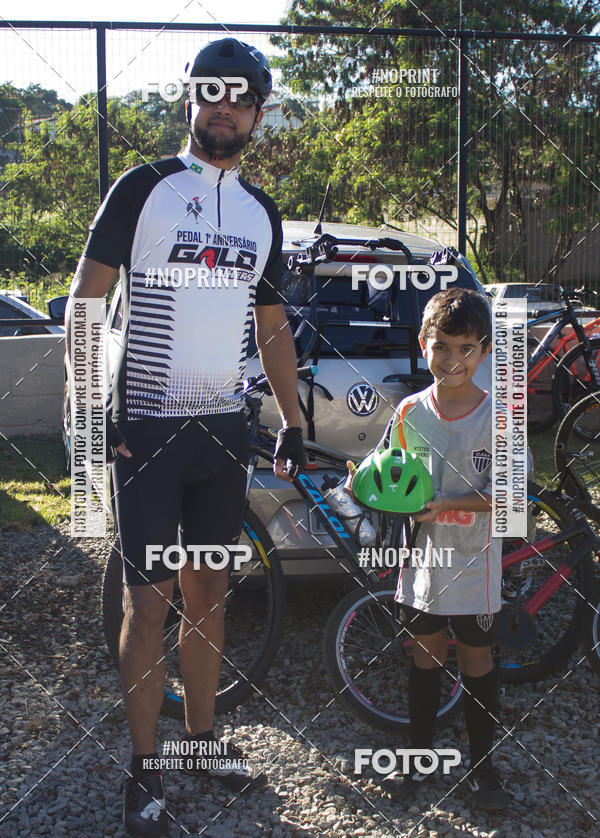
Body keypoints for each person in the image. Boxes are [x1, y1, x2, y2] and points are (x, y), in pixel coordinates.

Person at [65, 38, 305, 838]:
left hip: (223, 430)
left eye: (242, 99)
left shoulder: (259, 213)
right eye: (213, 94)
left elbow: (270, 329)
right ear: (192, 100)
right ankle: (143, 775)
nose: (225, 109)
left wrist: (295, 419)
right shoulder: (144, 189)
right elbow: (82, 303)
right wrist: (93, 406)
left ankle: (199, 744)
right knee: (150, 604)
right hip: (147, 432)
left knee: (209, 593)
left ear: (259, 114)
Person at [348, 287, 511, 812]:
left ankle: (485, 772)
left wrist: (445, 504)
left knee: (476, 659)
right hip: (421, 567)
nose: (453, 360)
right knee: (424, 657)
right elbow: (385, 473)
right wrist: (364, 485)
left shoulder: (498, 418)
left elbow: (510, 498)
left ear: (484, 351)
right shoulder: (409, 412)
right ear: (424, 345)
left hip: (475, 567)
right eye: (442, 346)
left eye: (466, 348)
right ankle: (419, 763)